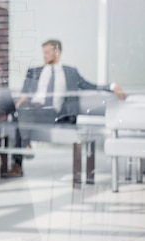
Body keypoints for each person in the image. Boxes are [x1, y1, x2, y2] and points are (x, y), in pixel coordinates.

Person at [11, 39, 125, 175]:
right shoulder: (33, 71)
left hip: (58, 115)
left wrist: (111, 86)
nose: (44, 56)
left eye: (47, 52)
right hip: (35, 112)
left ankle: (24, 148)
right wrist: (23, 98)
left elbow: (89, 85)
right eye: (43, 52)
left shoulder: (70, 72)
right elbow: (25, 93)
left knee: (19, 121)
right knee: (23, 109)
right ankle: (23, 151)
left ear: (57, 52)